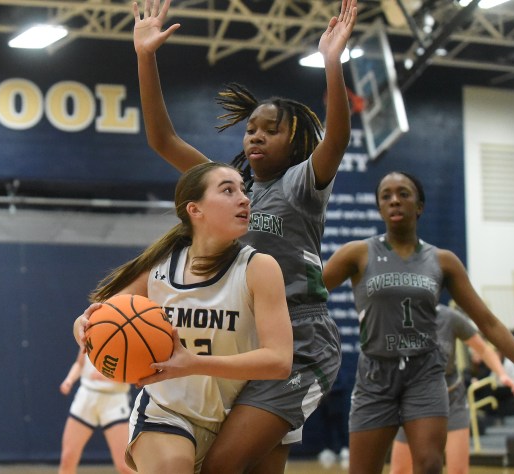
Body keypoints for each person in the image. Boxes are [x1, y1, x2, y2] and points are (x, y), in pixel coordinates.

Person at [131, 0, 358, 472]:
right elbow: (162, 140)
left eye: (269, 130)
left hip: (300, 345)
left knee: (219, 466)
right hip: (246, 340)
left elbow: (335, 139)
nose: (254, 136)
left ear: (295, 141)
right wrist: (145, 56)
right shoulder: (228, 189)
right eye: (250, 129)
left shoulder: (300, 185)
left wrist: (332, 64)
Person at [322, 171, 514, 474]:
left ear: (419, 206)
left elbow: (488, 322)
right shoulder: (357, 253)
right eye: (386, 195)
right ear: (379, 207)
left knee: (430, 465)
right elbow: (308, 294)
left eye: (403, 193)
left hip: (425, 374)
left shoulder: (443, 261)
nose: (395, 200)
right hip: (375, 375)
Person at [74, 161, 294, 474]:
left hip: (238, 417)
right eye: (228, 190)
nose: (244, 199)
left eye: (243, 191)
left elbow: (279, 361)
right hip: (167, 413)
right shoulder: (161, 267)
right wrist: (81, 327)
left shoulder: (260, 268)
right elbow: (98, 319)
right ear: (195, 209)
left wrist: (193, 363)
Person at [388, 303, 514, 474]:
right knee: (400, 470)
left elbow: (483, 349)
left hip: (451, 398)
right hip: (414, 400)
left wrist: (502, 374)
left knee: (458, 470)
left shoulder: (449, 317)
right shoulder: (400, 317)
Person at [58, 347, 134, 474]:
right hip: (87, 396)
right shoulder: (88, 330)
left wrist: (108, 376)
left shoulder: (127, 335)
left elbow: (134, 374)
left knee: (125, 465)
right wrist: (69, 380)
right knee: (67, 458)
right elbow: (79, 364)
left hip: (114, 399)